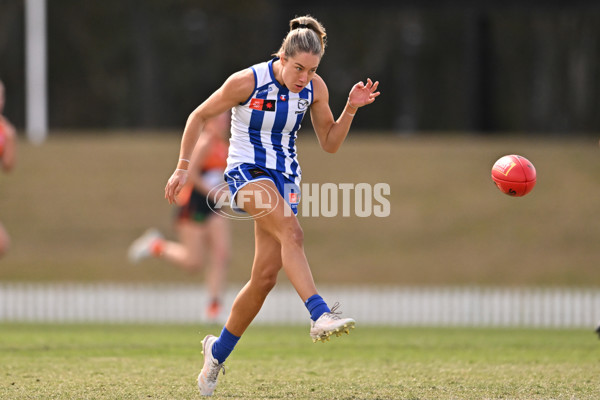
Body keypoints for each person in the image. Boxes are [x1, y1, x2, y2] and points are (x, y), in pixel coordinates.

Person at [164, 15, 380, 396]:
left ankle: (216, 352)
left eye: (312, 70)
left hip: (287, 180)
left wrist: (349, 109)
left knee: (264, 279)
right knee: (292, 232)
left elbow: (329, 143)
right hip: (246, 172)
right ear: (282, 56)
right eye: (298, 67)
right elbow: (199, 115)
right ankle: (319, 313)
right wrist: (182, 169)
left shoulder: (314, 88)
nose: (303, 76)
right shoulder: (246, 82)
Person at [128, 112, 231, 320]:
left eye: (227, 118)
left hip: (213, 207)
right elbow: (190, 175)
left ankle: (213, 307)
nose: (225, 122)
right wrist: (213, 192)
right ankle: (156, 246)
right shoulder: (204, 143)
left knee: (221, 254)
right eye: (220, 118)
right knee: (194, 262)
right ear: (210, 121)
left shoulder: (224, 146)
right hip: (193, 205)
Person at [0, 80, 17, 258]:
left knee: (2, 244)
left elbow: (8, 167)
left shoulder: (5, 132)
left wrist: (11, 142)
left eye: (1, 96)